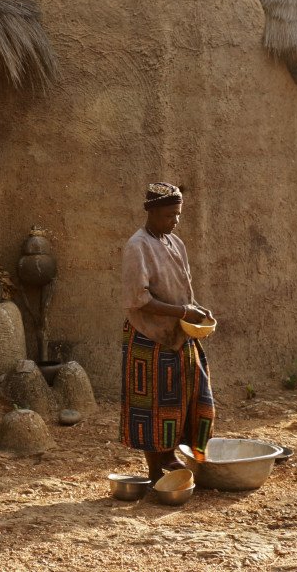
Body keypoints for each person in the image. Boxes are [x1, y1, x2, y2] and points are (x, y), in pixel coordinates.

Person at [120, 181, 216, 480]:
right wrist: (183, 312)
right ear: (152, 212)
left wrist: (198, 309)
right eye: (169, 215)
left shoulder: (175, 243)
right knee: (153, 406)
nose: (174, 221)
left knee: (184, 399)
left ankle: (171, 456)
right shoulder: (138, 246)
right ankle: (153, 472)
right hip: (149, 338)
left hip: (180, 336)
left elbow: (184, 292)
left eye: (178, 215)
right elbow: (138, 299)